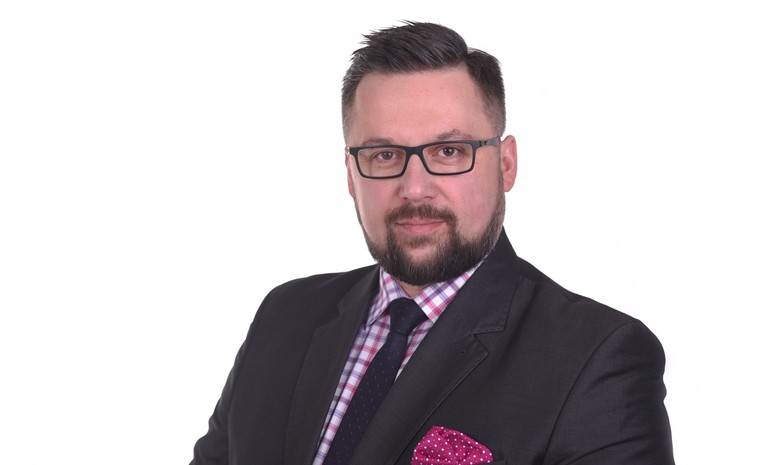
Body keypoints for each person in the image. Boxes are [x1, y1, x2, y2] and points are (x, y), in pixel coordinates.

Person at [190, 21, 674, 465]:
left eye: (448, 151)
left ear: (505, 165)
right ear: (351, 174)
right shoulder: (284, 316)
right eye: (384, 155)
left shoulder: (596, 358)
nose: (415, 188)